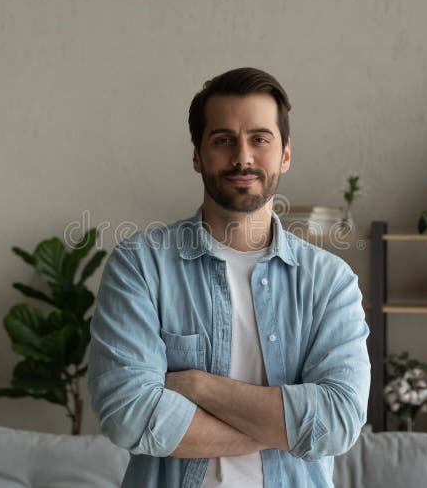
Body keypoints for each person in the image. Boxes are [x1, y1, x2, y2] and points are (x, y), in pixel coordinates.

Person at [87, 67, 371, 487]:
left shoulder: (330, 282)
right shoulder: (140, 266)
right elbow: (129, 415)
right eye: (223, 140)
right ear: (198, 155)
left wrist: (200, 387)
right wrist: (284, 431)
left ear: (285, 154)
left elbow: (339, 421)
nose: (243, 157)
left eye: (260, 139)